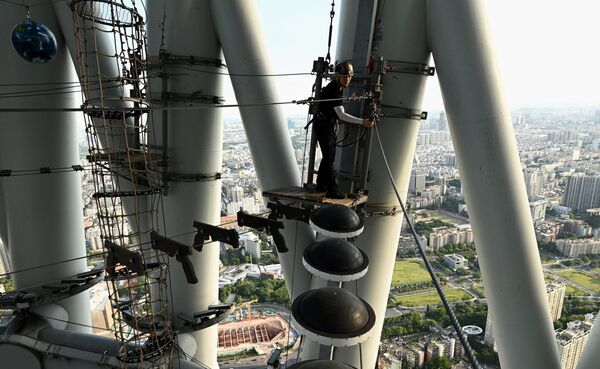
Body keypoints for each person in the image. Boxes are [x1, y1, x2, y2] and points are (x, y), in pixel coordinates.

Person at [314, 61, 374, 199]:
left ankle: (321, 185)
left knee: (329, 156)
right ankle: (332, 189)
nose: (347, 79)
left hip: (325, 125)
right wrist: (362, 122)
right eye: (344, 77)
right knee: (329, 157)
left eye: (349, 77)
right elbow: (342, 115)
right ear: (338, 77)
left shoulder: (336, 88)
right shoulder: (334, 90)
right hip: (324, 127)